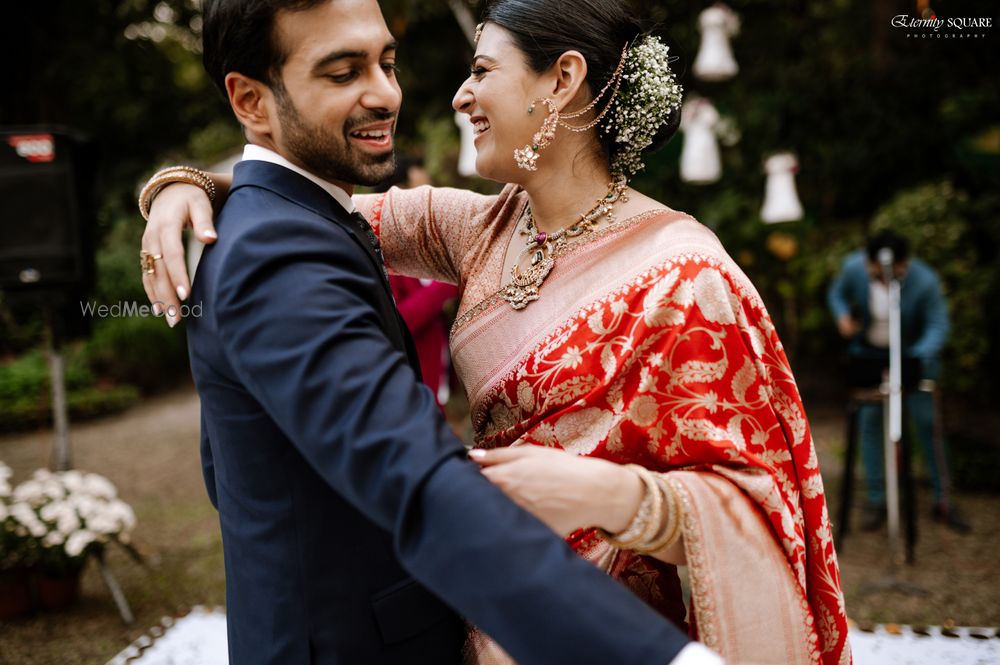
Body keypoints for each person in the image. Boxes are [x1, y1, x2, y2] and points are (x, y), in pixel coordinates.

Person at [140, 1, 851, 663]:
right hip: (482, 613)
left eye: (481, 71)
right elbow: (304, 197)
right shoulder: (481, 230)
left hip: (597, 618)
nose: (453, 95)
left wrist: (607, 496)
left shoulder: (685, 274)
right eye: (347, 69)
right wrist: (186, 184)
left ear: (563, 79)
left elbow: (761, 500)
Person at [828, 231, 968, 532]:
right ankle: (877, 499)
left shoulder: (924, 281)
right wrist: (842, 316)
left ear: (904, 264)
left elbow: (937, 324)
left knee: (928, 424)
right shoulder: (854, 268)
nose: (881, 278)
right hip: (869, 358)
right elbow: (836, 294)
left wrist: (915, 358)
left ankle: (943, 500)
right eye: (875, 273)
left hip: (912, 359)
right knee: (869, 424)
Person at [376, 157, 459, 409]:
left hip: (436, 383)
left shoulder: (429, 245)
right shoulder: (382, 251)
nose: (429, 199)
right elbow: (399, 320)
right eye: (420, 191)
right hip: (406, 393)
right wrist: (446, 284)